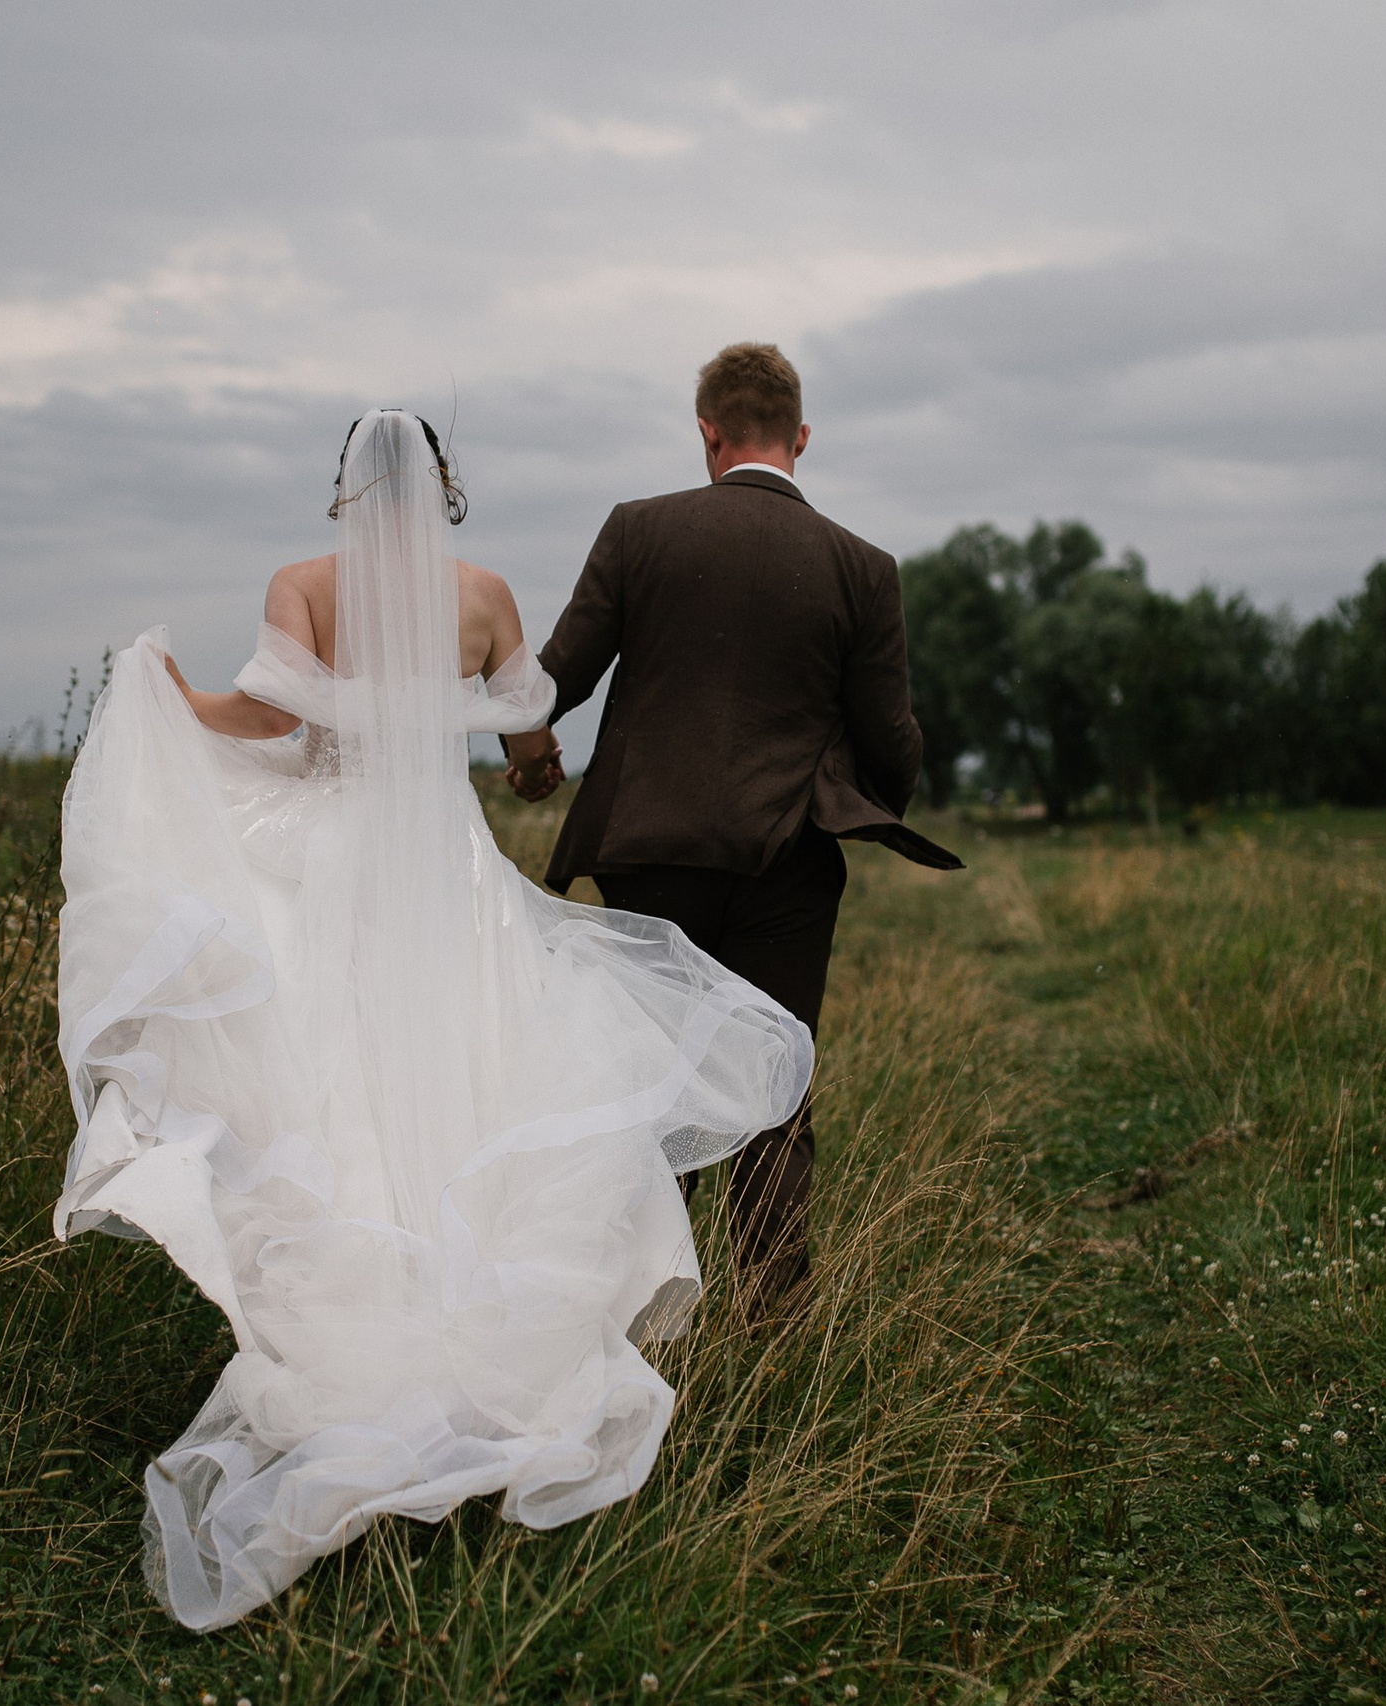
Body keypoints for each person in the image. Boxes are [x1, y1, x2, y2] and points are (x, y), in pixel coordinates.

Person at [53, 410, 811, 1630]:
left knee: (335, 1071)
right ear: (442, 487)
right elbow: (524, 725)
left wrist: (171, 694)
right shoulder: (483, 594)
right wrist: (530, 769)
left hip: (341, 855)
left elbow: (270, 720)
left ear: (348, 492)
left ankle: (356, 1318)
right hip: (444, 865)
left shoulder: (303, 584)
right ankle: (489, 1336)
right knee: (481, 1065)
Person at [504, 343, 960, 1316]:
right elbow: (893, 743)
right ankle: (773, 1317)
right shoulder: (861, 567)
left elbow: (553, 681)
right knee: (772, 1090)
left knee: (644, 1092)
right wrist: (860, 789)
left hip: (647, 860)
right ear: (799, 436)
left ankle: (635, 1319)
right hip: (785, 865)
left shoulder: (638, 531)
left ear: (707, 432)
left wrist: (531, 758)